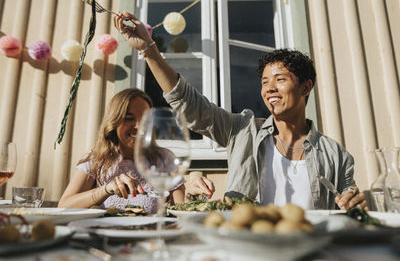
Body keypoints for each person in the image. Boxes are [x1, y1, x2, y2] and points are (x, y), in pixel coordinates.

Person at [113, 12, 367, 210]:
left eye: (279, 80)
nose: (269, 89)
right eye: (265, 83)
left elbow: (349, 207)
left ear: (305, 87)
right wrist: (149, 50)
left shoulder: (338, 156)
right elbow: (189, 105)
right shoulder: (242, 130)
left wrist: (356, 202)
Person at [58, 88, 214, 213]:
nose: (139, 126)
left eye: (145, 119)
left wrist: (192, 196)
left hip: (149, 240)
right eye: (129, 118)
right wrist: (105, 189)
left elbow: (181, 211)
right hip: (106, 239)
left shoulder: (164, 158)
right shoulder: (96, 159)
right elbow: (64, 206)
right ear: (114, 121)